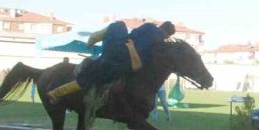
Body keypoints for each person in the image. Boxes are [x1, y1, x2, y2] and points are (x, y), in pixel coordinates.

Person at [47, 20, 176, 103]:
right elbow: (137, 65)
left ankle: (95, 37)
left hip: (116, 47)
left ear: (161, 26)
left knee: (119, 25)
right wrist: (132, 48)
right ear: (167, 35)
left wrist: (127, 43)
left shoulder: (149, 26)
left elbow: (133, 34)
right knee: (87, 80)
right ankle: (56, 93)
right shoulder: (160, 42)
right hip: (121, 61)